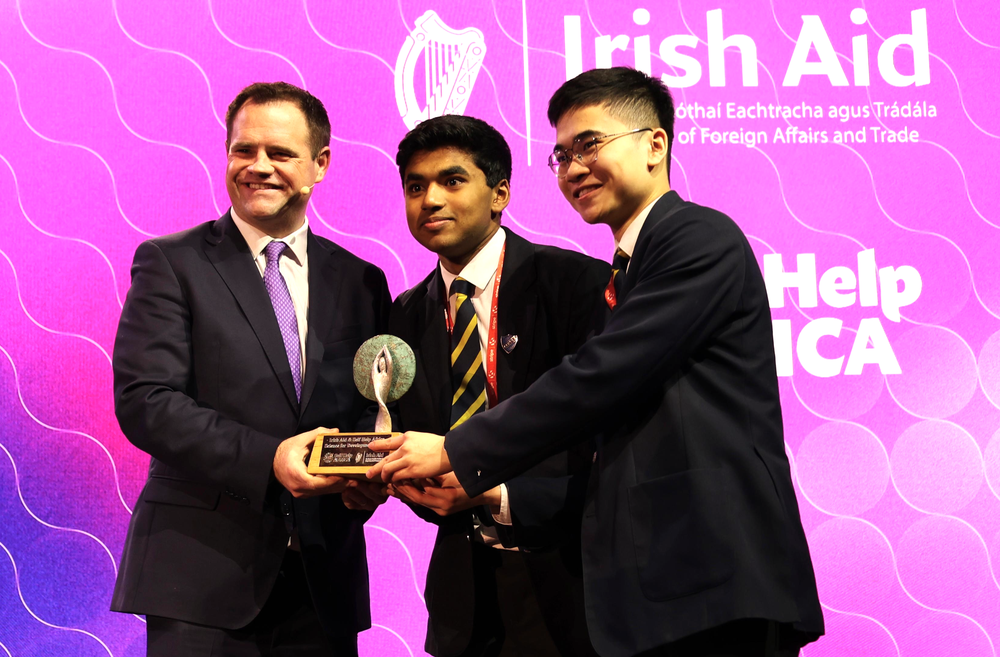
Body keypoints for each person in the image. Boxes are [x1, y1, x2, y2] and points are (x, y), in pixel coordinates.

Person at [370, 67, 824, 656]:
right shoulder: (627, 269)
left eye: (590, 144)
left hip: (713, 572)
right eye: (561, 155)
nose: (574, 168)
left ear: (654, 144)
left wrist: (457, 449)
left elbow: (600, 377)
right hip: (657, 586)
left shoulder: (696, 239)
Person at [111, 81, 391, 656]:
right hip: (200, 581)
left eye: (280, 152)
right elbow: (146, 401)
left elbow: (375, 401)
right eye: (244, 150)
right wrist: (271, 459)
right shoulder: (171, 262)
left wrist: (371, 474)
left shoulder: (362, 280)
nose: (258, 166)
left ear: (320, 165)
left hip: (322, 583)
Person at [388, 115, 608, 657]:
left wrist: (502, 494)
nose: (430, 200)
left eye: (452, 180)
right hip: (464, 605)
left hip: (578, 589)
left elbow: (611, 452)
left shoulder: (577, 285)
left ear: (500, 193)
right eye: (415, 187)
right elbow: (419, 447)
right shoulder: (405, 315)